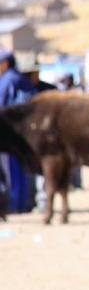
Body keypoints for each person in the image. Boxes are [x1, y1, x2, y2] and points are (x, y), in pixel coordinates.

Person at [0, 49, 37, 214]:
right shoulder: (22, 79)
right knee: (23, 170)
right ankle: (23, 204)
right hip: (26, 134)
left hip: (9, 134)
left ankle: (14, 205)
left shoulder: (7, 80)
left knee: (10, 170)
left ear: (5, 63)